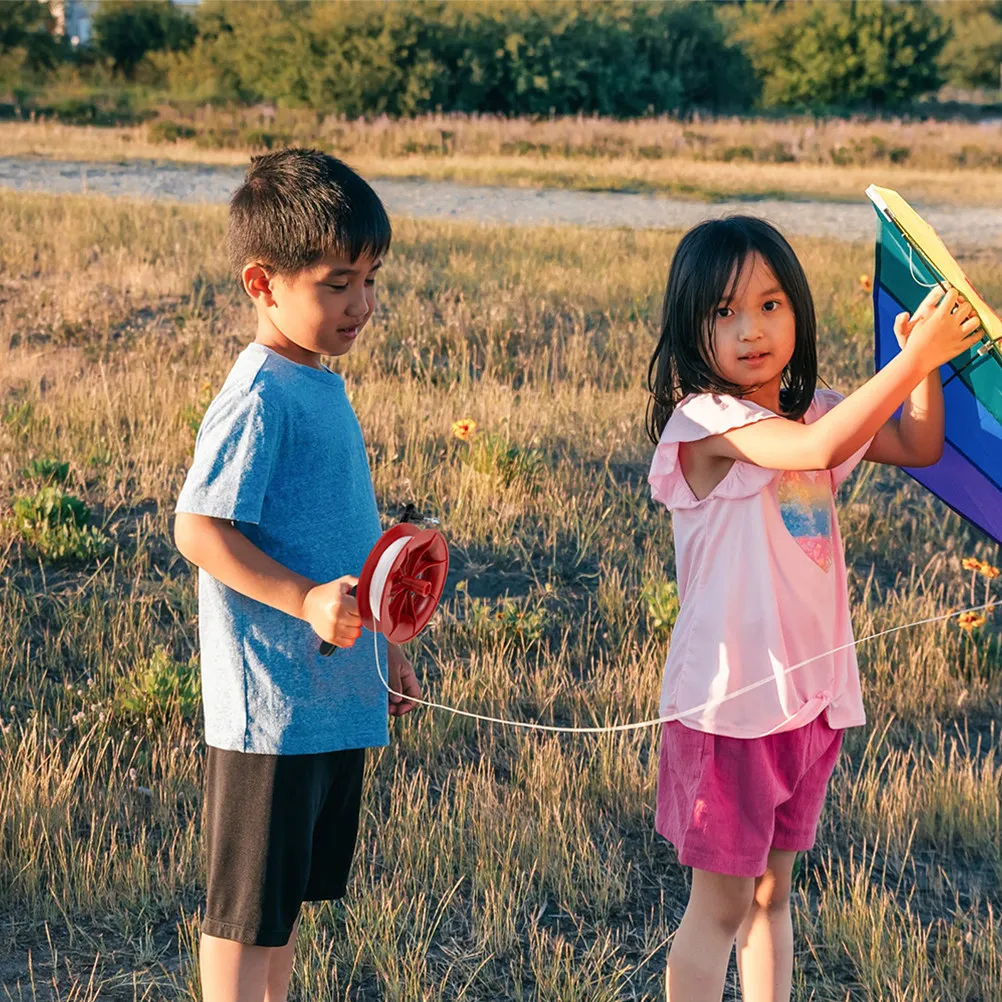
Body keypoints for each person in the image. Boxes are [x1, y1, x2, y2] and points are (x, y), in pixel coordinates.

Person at [645, 216, 980, 1002]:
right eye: (723, 312)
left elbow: (920, 445)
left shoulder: (816, 408)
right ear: (692, 329)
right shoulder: (707, 420)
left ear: (798, 308)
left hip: (807, 704)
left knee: (772, 894)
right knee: (721, 904)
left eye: (769, 305)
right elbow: (816, 450)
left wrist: (917, 365)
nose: (751, 329)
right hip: (730, 706)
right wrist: (916, 359)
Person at [173, 148, 421, 1002]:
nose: (362, 304)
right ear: (262, 283)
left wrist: (381, 646)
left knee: (282, 916)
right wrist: (303, 600)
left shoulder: (317, 381)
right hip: (269, 710)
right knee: (245, 916)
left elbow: (336, 538)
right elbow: (199, 527)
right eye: (338, 282)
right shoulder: (261, 393)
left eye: (371, 279)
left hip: (325, 698)